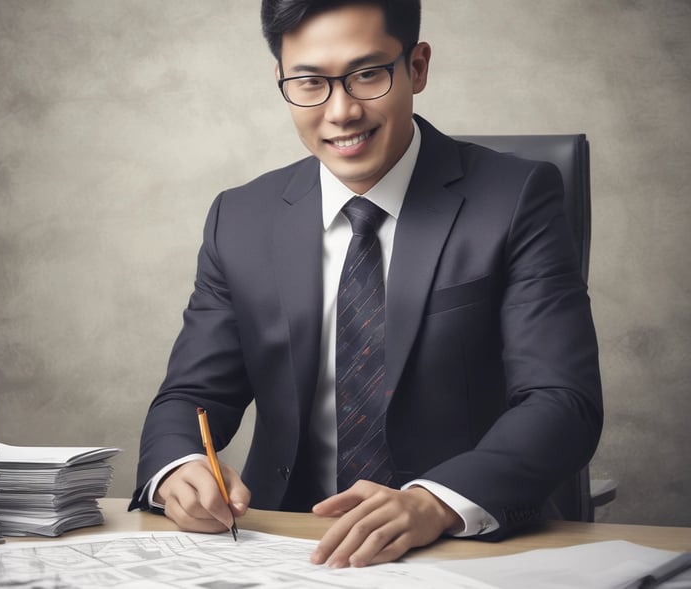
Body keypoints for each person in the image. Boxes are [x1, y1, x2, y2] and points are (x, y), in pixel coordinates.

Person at [131, 0, 603, 569]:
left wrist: (434, 502)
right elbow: (192, 396)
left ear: (418, 68)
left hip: (457, 544)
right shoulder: (241, 217)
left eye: (368, 75)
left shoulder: (516, 197)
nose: (342, 111)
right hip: (282, 545)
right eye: (309, 82)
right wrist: (177, 466)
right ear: (282, 81)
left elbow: (561, 400)